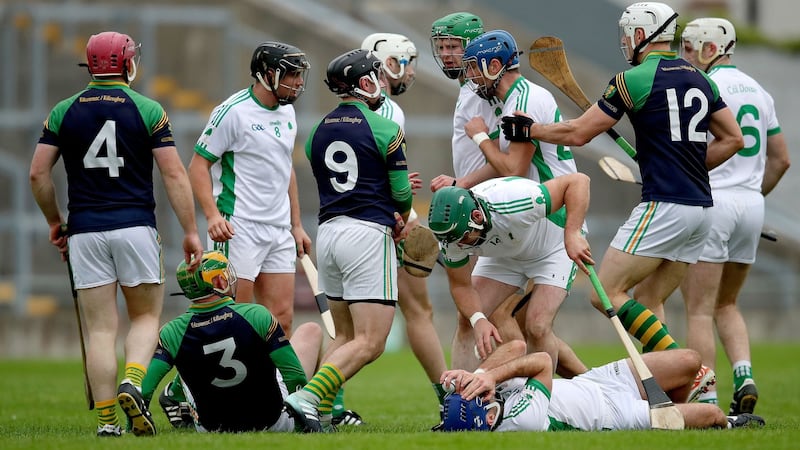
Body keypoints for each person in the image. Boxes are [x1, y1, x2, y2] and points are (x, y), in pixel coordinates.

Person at [526, 2, 744, 353]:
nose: (625, 43)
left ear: (641, 35)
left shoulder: (632, 80)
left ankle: (685, 364)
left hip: (666, 205)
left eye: (628, 36)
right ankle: (683, 393)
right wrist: (686, 164)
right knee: (647, 299)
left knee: (605, 292)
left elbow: (578, 133)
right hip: (702, 211)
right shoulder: (700, 77)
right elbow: (734, 138)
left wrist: (532, 129)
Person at [29, 31, 204, 437]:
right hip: (136, 229)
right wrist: (191, 231)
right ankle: (134, 381)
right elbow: (174, 173)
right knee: (145, 317)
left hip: (85, 231)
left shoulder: (62, 111)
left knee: (101, 330)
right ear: (127, 64)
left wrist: (55, 221)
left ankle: (108, 423)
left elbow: (38, 173)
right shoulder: (147, 109)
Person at [283, 48, 415, 433]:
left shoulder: (316, 133)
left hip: (330, 235)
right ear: (364, 82)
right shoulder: (386, 128)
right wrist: (401, 218)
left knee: (342, 335)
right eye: (376, 74)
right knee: (371, 341)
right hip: (368, 235)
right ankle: (306, 397)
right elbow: (403, 196)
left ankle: (322, 412)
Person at [457, 29, 588, 378]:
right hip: (516, 224)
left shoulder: (525, 100)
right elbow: (504, 160)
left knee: (537, 325)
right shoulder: (508, 101)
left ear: (495, 65)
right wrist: (463, 183)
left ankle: (548, 404)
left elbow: (513, 168)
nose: (469, 77)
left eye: (473, 68)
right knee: (472, 316)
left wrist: (479, 135)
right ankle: (456, 403)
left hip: (551, 220)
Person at [677, 18, 791, 410]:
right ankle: (744, 376)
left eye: (690, 48)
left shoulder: (702, 85)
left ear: (711, 48)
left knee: (699, 308)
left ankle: (705, 396)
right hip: (750, 205)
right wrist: (752, 196)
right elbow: (781, 161)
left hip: (714, 202)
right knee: (727, 303)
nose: (685, 55)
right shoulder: (759, 91)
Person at [188, 41, 312, 336]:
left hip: (279, 229)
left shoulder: (287, 113)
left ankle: (275, 384)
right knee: (232, 318)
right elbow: (197, 166)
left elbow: (286, 169)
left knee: (281, 318)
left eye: (300, 75)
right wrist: (212, 216)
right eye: (292, 74)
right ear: (268, 74)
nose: (298, 82)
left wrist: (296, 225)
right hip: (238, 227)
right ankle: (188, 384)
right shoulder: (233, 112)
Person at [360, 32, 449, 418]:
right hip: (383, 221)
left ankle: (323, 402)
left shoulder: (345, 110)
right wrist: (409, 216)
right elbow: (390, 182)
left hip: (345, 222)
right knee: (414, 313)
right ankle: (448, 394)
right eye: (404, 61)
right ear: (384, 63)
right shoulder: (389, 112)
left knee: (348, 328)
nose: (410, 70)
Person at [428, 173, 594, 374]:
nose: (459, 247)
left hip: (552, 247)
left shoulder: (515, 201)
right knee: (467, 320)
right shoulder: (453, 237)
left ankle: (538, 398)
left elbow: (578, 181)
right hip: (504, 256)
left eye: (464, 240)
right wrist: (478, 319)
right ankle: (463, 399)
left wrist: (573, 232)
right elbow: (461, 286)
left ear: (477, 217)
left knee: (537, 326)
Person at [140, 251, 323, 433]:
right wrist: (301, 416)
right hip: (273, 422)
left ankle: (173, 394)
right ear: (218, 282)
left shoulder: (171, 331)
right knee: (311, 330)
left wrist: (131, 426)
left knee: (185, 354)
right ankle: (330, 414)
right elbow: (295, 375)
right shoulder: (257, 314)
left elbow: (145, 389)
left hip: (209, 428)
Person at [438, 339, 765, 431]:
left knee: (690, 360)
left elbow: (517, 348)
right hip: (613, 414)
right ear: (490, 418)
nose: (476, 392)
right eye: (473, 396)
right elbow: (540, 362)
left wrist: (480, 372)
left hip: (599, 381)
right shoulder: (519, 419)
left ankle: (681, 399)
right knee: (712, 417)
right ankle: (733, 425)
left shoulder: (490, 398)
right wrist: (493, 378)